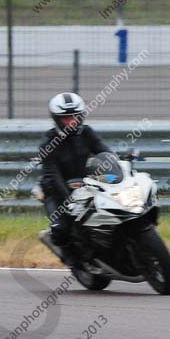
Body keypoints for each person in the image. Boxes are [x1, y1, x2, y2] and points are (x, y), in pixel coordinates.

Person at [40, 92, 112, 265]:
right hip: (57, 191)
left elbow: (104, 151)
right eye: (65, 118)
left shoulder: (87, 133)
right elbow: (53, 177)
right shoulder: (49, 144)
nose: (71, 121)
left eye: (74, 116)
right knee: (62, 229)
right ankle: (71, 258)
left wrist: (117, 162)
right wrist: (68, 202)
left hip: (86, 184)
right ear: (56, 119)